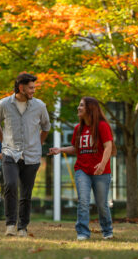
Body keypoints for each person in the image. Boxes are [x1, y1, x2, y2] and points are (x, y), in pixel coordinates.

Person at [49, 97, 116, 241]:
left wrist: (102, 164)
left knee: (102, 204)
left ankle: (107, 230)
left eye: (81, 106)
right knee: (83, 201)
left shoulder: (102, 126)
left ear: (90, 108)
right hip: (82, 170)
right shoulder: (78, 128)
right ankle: (83, 233)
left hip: (101, 172)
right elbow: (76, 148)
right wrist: (60, 149)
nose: (78, 108)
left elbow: (108, 146)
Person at [0, 72, 51, 237]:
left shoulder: (40, 106)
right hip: (10, 152)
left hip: (32, 155)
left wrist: (38, 143)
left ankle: (22, 227)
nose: (33, 90)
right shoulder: (3, 104)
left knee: (26, 193)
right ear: (21, 87)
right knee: (10, 185)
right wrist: (3, 140)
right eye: (30, 87)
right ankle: (10, 224)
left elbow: (46, 127)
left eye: (34, 87)